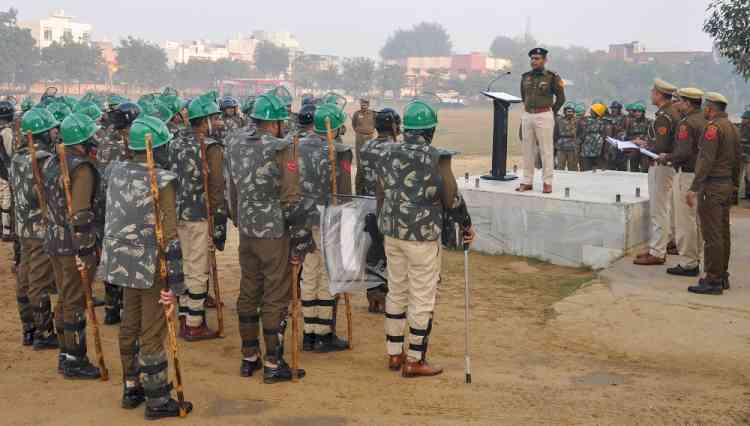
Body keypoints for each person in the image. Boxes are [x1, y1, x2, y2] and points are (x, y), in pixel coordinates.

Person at [99, 116, 193, 419]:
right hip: (151, 264)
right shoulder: (161, 180)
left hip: (121, 261)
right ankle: (156, 400)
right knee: (152, 330)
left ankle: (131, 386)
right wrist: (174, 285)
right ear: (156, 146)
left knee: (130, 323)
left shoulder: (115, 171)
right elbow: (168, 234)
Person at [377, 99, 475, 377]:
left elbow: (380, 193)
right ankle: (415, 360)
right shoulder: (436, 157)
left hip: (392, 232)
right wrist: (466, 223)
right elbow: (451, 199)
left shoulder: (386, 153)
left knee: (396, 290)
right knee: (422, 295)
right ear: (430, 130)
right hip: (421, 236)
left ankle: (394, 355)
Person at [224, 93, 310, 383]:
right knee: (275, 294)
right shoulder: (281, 147)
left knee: (249, 289)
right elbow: (291, 198)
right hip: (273, 231)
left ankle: (250, 357)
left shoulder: (234, 143)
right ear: (273, 123)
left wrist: (238, 218)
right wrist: (299, 238)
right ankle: (274, 362)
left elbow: (231, 188)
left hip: (247, 229)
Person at [42, 112, 103, 379]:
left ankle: (65, 353)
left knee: (66, 297)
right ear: (82, 140)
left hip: (54, 240)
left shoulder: (53, 161)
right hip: (73, 245)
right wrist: (86, 250)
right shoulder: (81, 168)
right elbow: (80, 215)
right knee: (75, 299)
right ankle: (74, 358)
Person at [297, 103, 353, 352]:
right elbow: (345, 190)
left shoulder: (295, 145)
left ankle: (309, 333)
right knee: (328, 274)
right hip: (328, 218)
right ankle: (322, 333)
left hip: (302, 219)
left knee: (309, 273)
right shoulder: (340, 151)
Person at [169, 95, 225, 341]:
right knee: (197, 268)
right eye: (214, 118)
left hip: (175, 213)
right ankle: (194, 323)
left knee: (182, 266)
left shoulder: (174, 142)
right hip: (199, 215)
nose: (219, 122)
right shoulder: (210, 146)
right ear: (204, 121)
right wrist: (217, 215)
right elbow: (216, 186)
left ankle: (184, 315)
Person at [686, 92, 741, 295]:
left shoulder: (713, 128)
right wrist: (734, 185)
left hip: (712, 186)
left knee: (712, 235)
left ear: (710, 109)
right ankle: (722, 275)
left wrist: (694, 187)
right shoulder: (733, 128)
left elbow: (706, 161)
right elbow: (738, 160)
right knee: (723, 232)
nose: (704, 111)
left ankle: (713, 279)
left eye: (706, 108)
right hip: (726, 185)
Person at [13, 108, 59, 350]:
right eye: (52, 129)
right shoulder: (43, 160)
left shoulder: (18, 157)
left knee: (24, 276)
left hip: (23, 228)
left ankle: (28, 328)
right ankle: (44, 332)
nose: (55, 132)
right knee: (38, 281)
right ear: (43, 132)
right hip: (41, 228)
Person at [634, 79, 680, 266]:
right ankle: (662, 244)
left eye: (653, 91)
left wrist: (643, 145)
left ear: (660, 95)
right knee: (666, 207)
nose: (651, 94)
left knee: (659, 209)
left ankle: (658, 252)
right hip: (668, 164)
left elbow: (660, 145)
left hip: (661, 165)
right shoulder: (671, 112)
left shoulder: (664, 116)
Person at [358, 109, 400, 313]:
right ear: (393, 126)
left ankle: (373, 296)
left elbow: (361, 176)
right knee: (389, 254)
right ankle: (386, 295)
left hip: (368, 206)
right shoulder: (396, 149)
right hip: (388, 208)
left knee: (373, 251)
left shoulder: (366, 146)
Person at [664, 88, 707, 277]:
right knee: (695, 220)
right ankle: (695, 258)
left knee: (685, 221)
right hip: (699, 175)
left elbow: (683, 153)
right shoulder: (705, 120)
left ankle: (689, 262)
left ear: (688, 103)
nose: (677, 104)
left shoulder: (687, 123)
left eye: (679, 101)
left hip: (687, 174)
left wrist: (667, 157)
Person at [518, 47, 566, 194]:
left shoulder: (551, 77)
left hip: (544, 115)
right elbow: (523, 96)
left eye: (537, 59)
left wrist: (551, 112)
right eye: (532, 59)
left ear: (545, 60)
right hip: (528, 114)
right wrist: (528, 112)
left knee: (546, 150)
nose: (534, 61)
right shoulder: (525, 77)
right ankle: (527, 181)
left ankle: (547, 182)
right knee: (527, 150)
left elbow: (561, 98)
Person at [352, 98, 376, 194]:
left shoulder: (373, 114)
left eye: (365, 104)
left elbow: (375, 124)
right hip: (360, 140)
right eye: (362, 104)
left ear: (368, 105)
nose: (363, 106)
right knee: (360, 164)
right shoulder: (356, 114)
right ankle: (359, 190)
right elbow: (354, 125)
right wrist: (360, 131)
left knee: (369, 162)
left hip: (370, 139)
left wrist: (370, 131)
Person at [577, 103, 609, 171]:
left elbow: (582, 134)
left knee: (586, 170)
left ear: (595, 112)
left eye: (592, 110)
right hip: (598, 151)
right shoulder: (603, 122)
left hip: (587, 151)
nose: (590, 111)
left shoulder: (586, 121)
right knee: (597, 170)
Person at [0, 100, 15, 241]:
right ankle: (6, 231)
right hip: (4, 170)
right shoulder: (6, 132)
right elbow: (10, 152)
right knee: (6, 200)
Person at [621, 103, 651, 173]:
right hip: (633, 148)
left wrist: (643, 141)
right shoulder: (630, 122)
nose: (637, 113)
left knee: (645, 169)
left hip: (644, 149)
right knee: (633, 169)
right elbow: (626, 136)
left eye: (639, 111)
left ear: (643, 112)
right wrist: (633, 140)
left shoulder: (648, 122)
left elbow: (651, 135)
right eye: (635, 111)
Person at [554, 105, 579, 171]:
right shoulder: (559, 121)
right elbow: (555, 133)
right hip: (561, 146)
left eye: (571, 112)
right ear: (564, 112)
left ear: (574, 112)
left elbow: (580, 133)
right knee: (560, 167)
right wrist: (555, 144)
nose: (570, 113)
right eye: (568, 111)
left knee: (572, 167)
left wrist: (578, 143)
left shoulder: (577, 121)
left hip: (572, 147)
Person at [606, 101, 628, 171]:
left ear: (619, 109)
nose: (613, 110)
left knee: (622, 166)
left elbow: (626, 130)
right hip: (609, 142)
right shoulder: (607, 117)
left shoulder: (624, 118)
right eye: (612, 108)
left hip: (620, 143)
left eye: (616, 108)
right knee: (610, 167)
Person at [738, 110, 750, 199]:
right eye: (743, 118)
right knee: (738, 176)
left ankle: (748, 195)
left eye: (745, 118)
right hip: (740, 157)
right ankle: (735, 196)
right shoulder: (740, 128)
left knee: (748, 176)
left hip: (749, 158)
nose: (743, 120)